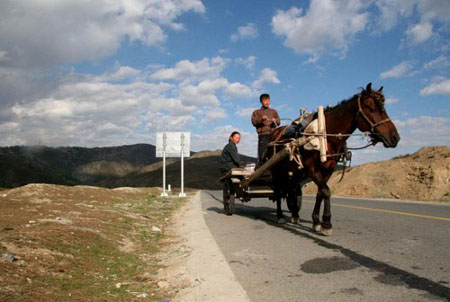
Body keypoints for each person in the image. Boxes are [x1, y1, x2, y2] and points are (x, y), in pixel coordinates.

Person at [251, 93, 280, 166]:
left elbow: (279, 122)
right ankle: (261, 166)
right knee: (263, 154)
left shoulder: (274, 111)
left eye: (268, 100)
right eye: (265, 101)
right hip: (263, 135)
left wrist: (275, 120)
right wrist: (261, 119)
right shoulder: (256, 112)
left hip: (274, 134)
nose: (267, 102)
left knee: (275, 151)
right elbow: (254, 122)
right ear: (261, 102)